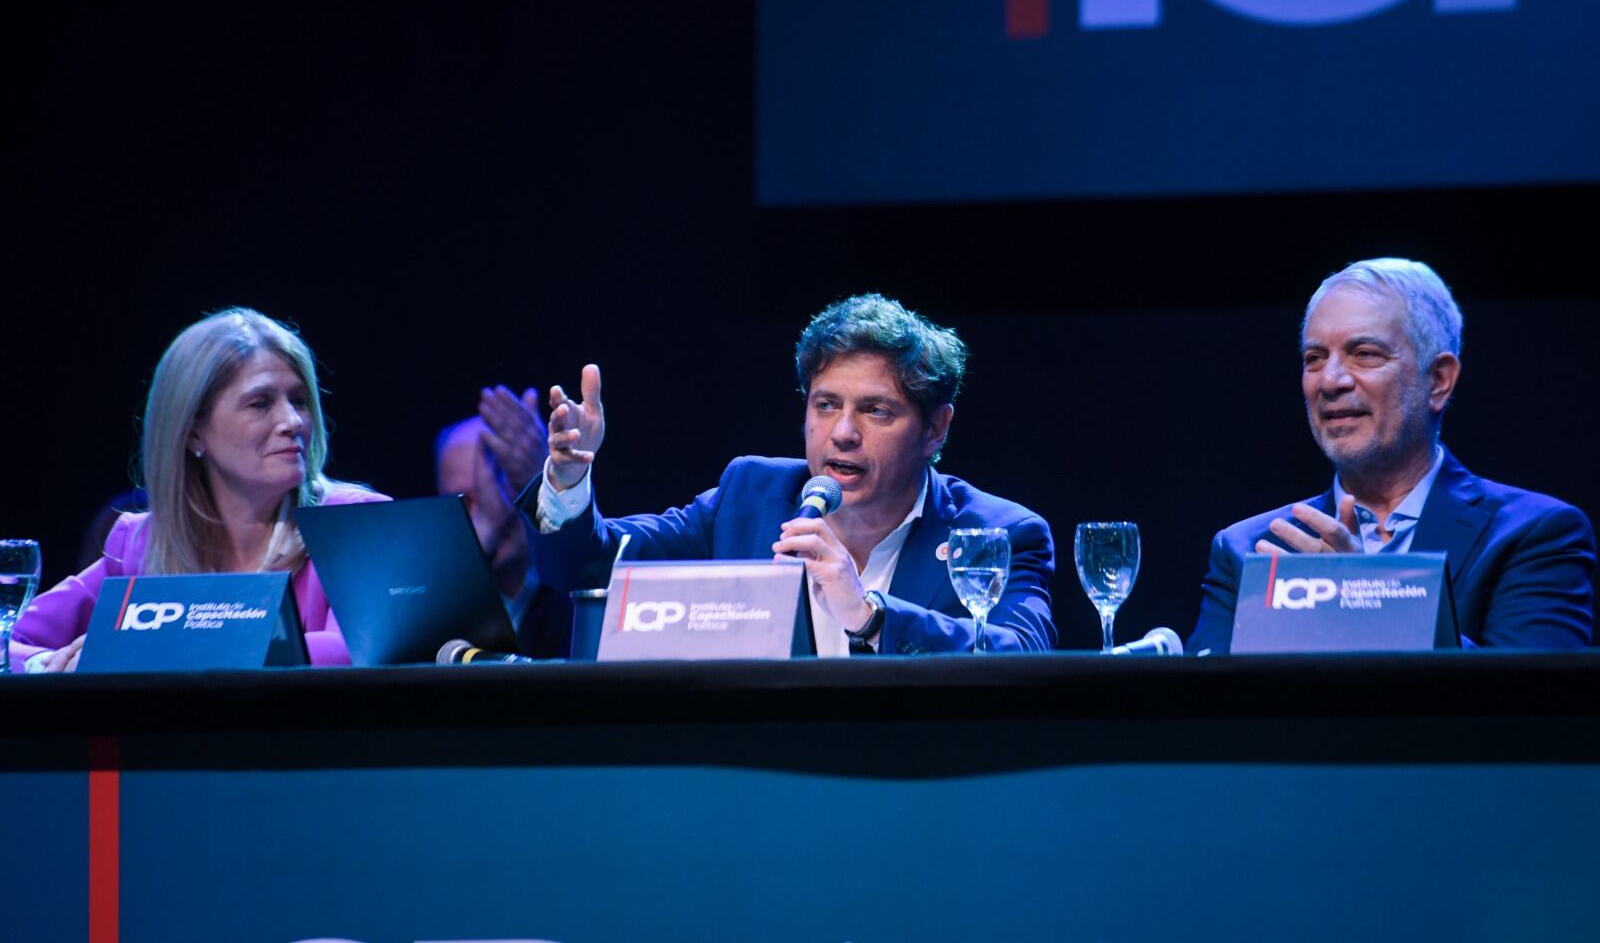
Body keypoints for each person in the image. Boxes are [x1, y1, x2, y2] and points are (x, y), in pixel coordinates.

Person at [518, 293, 1056, 654]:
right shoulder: (750, 497)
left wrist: (869, 615)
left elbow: (1022, 656)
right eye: (825, 405)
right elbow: (593, 571)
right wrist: (568, 482)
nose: (842, 433)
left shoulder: (999, 533)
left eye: (875, 411)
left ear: (935, 429)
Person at [1190, 258, 1595, 654]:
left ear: (1438, 381)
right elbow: (1204, 714)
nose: (1330, 381)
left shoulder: (1534, 535)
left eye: (1364, 353)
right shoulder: (1247, 550)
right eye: (1314, 358)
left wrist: (1364, 600)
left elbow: (1529, 707)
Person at [12, 308, 387, 672]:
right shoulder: (141, 544)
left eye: (300, 401)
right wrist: (41, 664)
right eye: (260, 403)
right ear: (192, 432)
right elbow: (7, 634)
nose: (292, 421)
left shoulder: (356, 523)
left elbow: (361, 644)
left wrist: (148, 648)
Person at [436, 392, 571, 658]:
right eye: (465, 501)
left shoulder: (570, 596)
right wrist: (484, 536)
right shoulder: (435, 609)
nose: (492, 507)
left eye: (504, 485)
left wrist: (553, 492)